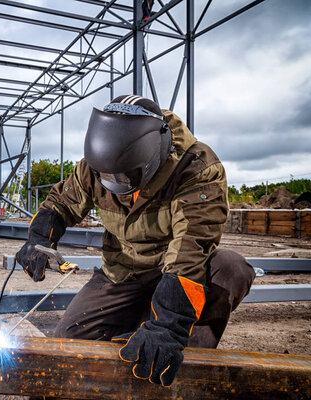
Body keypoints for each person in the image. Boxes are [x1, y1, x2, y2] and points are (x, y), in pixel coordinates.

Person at [15, 95, 255, 386]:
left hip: (177, 268)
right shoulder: (98, 164)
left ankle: (188, 355)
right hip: (123, 271)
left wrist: (168, 325)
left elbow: (191, 248)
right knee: (70, 340)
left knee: (230, 268)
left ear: (152, 155)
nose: (116, 184)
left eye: (125, 177)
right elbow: (60, 203)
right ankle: (141, 321)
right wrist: (40, 238)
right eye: (107, 176)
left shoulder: (197, 168)